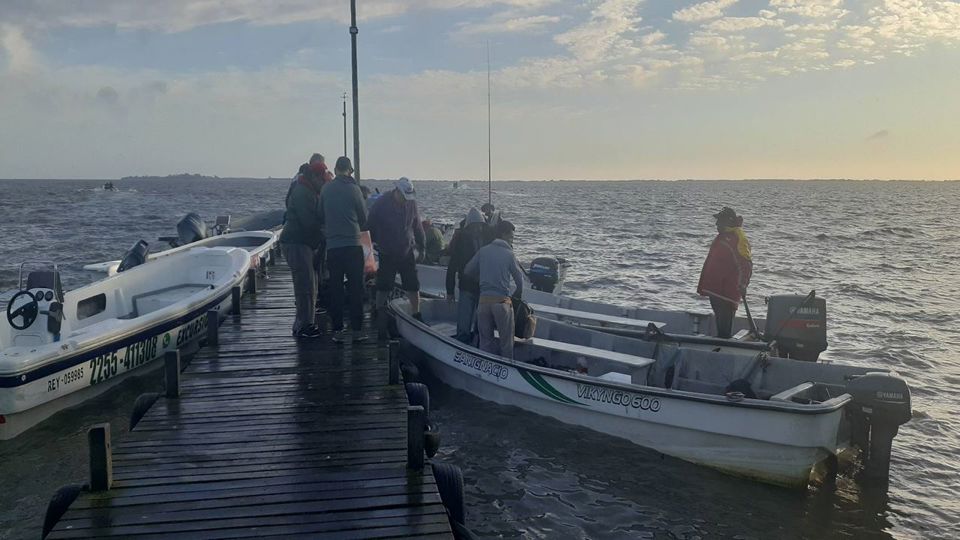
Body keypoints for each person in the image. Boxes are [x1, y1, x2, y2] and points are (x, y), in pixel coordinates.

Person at [319, 156, 369, 343]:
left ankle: (337, 330)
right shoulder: (354, 189)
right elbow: (364, 218)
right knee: (356, 289)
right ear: (349, 170)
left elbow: (319, 214)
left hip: (333, 247)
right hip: (353, 245)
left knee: (336, 289)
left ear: (335, 169)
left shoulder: (326, 188)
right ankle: (357, 330)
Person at [279, 155, 327, 338]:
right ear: (314, 176)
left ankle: (307, 322)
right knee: (304, 285)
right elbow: (308, 223)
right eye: (322, 179)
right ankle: (303, 325)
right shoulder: (303, 192)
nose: (323, 183)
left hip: (303, 243)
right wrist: (323, 233)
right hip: (296, 243)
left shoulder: (308, 189)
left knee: (310, 284)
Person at [368, 177, 425, 324]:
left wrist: (422, 246)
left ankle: (416, 314)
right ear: (397, 191)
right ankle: (379, 311)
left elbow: (417, 225)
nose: (406, 200)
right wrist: (370, 245)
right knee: (384, 285)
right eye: (404, 197)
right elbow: (370, 225)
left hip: (406, 251)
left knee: (413, 284)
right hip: (387, 251)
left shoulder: (411, 204)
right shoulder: (381, 204)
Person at [465, 220, 524, 358]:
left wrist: (481, 277)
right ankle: (507, 370)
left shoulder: (483, 251)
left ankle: (486, 369)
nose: (512, 240)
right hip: (502, 302)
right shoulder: (509, 254)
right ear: (504, 235)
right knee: (506, 342)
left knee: (486, 342)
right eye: (511, 237)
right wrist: (518, 293)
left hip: (483, 302)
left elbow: (467, 270)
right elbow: (519, 279)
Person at [697, 206, 753, 339]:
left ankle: (723, 351)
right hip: (717, 291)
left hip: (726, 293)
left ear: (728, 221)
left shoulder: (736, 239)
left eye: (719, 221)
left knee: (724, 331)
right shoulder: (724, 237)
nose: (716, 224)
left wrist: (743, 284)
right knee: (721, 327)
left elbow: (746, 264)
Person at [445, 207, 485, 343]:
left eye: (480, 226)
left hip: (482, 287)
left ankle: (478, 345)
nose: (478, 229)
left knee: (481, 325)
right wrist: (449, 290)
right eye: (475, 226)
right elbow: (452, 267)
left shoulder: (486, 240)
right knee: (463, 324)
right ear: (469, 226)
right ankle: (462, 344)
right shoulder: (461, 241)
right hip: (466, 287)